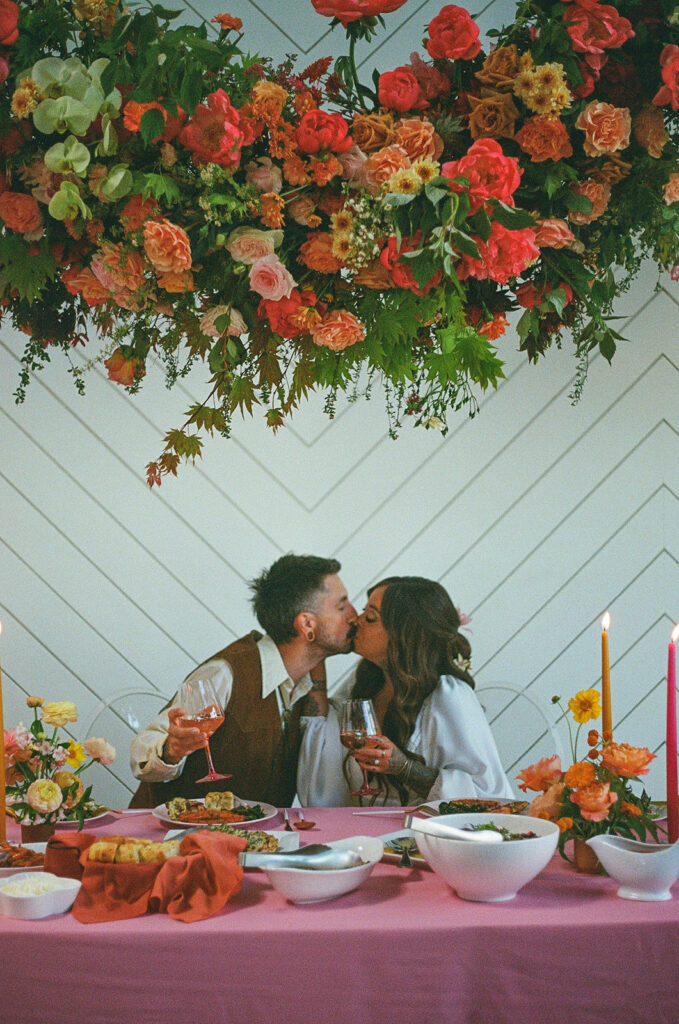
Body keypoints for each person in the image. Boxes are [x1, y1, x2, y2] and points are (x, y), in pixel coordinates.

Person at [130, 554, 357, 807]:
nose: (354, 615)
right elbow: (142, 749)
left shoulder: (304, 683)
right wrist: (170, 750)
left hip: (247, 839)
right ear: (306, 624)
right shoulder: (225, 673)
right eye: (341, 607)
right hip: (170, 838)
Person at [296, 576, 514, 806]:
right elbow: (322, 735)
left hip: (421, 837)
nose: (356, 621)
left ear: (403, 635)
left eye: (370, 617)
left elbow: (488, 796)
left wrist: (405, 768)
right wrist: (318, 645)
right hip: (364, 835)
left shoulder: (449, 696)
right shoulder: (364, 684)